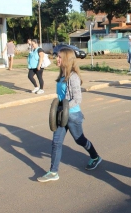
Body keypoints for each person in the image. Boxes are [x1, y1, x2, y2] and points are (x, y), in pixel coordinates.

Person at [37, 48, 102, 182]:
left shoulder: (73, 77)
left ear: (67, 59)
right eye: (57, 57)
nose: (57, 59)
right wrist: (58, 108)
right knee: (56, 142)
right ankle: (53, 172)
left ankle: (95, 157)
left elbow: (77, 99)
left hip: (72, 115)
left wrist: (64, 108)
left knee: (79, 140)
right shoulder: (62, 75)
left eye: (60, 57)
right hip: (62, 115)